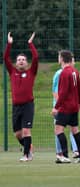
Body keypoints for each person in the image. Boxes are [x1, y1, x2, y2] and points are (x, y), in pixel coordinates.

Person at [4, 32, 37, 162]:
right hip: (16, 106)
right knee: (18, 134)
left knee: (26, 131)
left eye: (23, 60)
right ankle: (29, 149)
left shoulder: (31, 72)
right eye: (18, 60)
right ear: (16, 63)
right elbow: (5, 58)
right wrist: (9, 44)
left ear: (26, 62)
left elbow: (36, 57)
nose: (21, 61)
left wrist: (30, 44)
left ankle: (26, 155)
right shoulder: (12, 72)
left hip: (28, 105)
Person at [51, 50, 80, 163]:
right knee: (75, 130)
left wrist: (56, 107)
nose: (58, 58)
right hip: (74, 106)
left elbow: (63, 92)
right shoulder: (74, 71)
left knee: (58, 130)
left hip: (66, 107)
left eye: (58, 56)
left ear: (61, 58)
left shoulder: (64, 73)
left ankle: (64, 156)